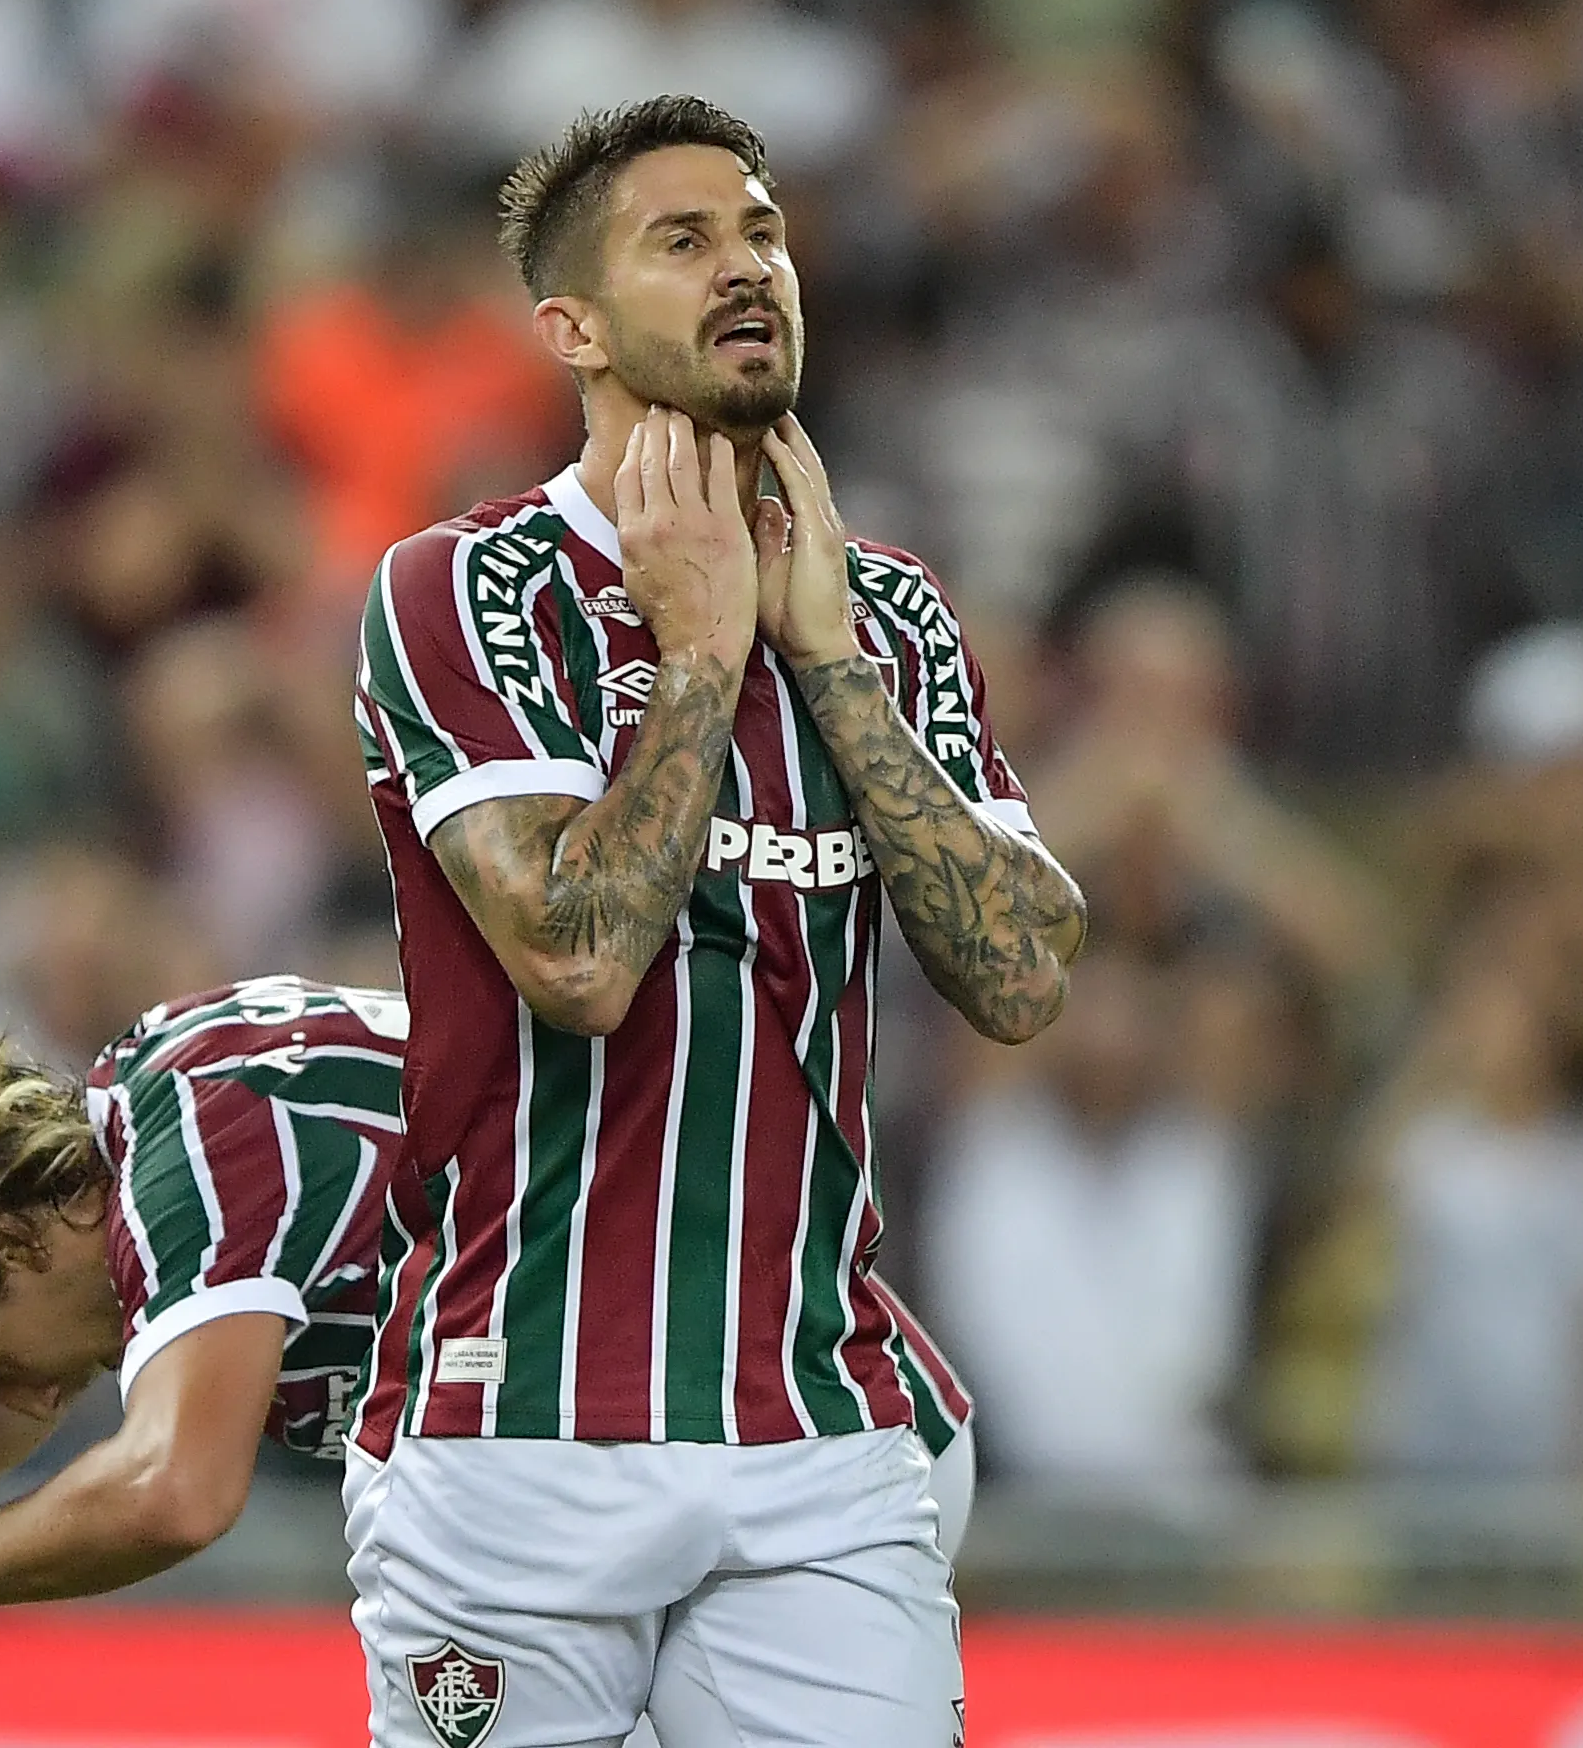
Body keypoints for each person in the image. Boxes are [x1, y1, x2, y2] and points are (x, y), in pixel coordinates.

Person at [350, 96, 1084, 1748]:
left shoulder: (884, 609)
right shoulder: (465, 588)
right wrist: (700, 656)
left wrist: (819, 658)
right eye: (682, 242)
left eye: (760, 229)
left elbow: (1027, 973)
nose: (747, 265)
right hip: (517, 1427)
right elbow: (577, 960)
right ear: (575, 327)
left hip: (816, 1431)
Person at [0, 976, 979, 1613]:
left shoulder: (209, 1185)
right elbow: (36, 1397)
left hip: (784, 1440)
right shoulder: (144, 1110)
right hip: (701, 1441)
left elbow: (178, 1489)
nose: (13, 1402)